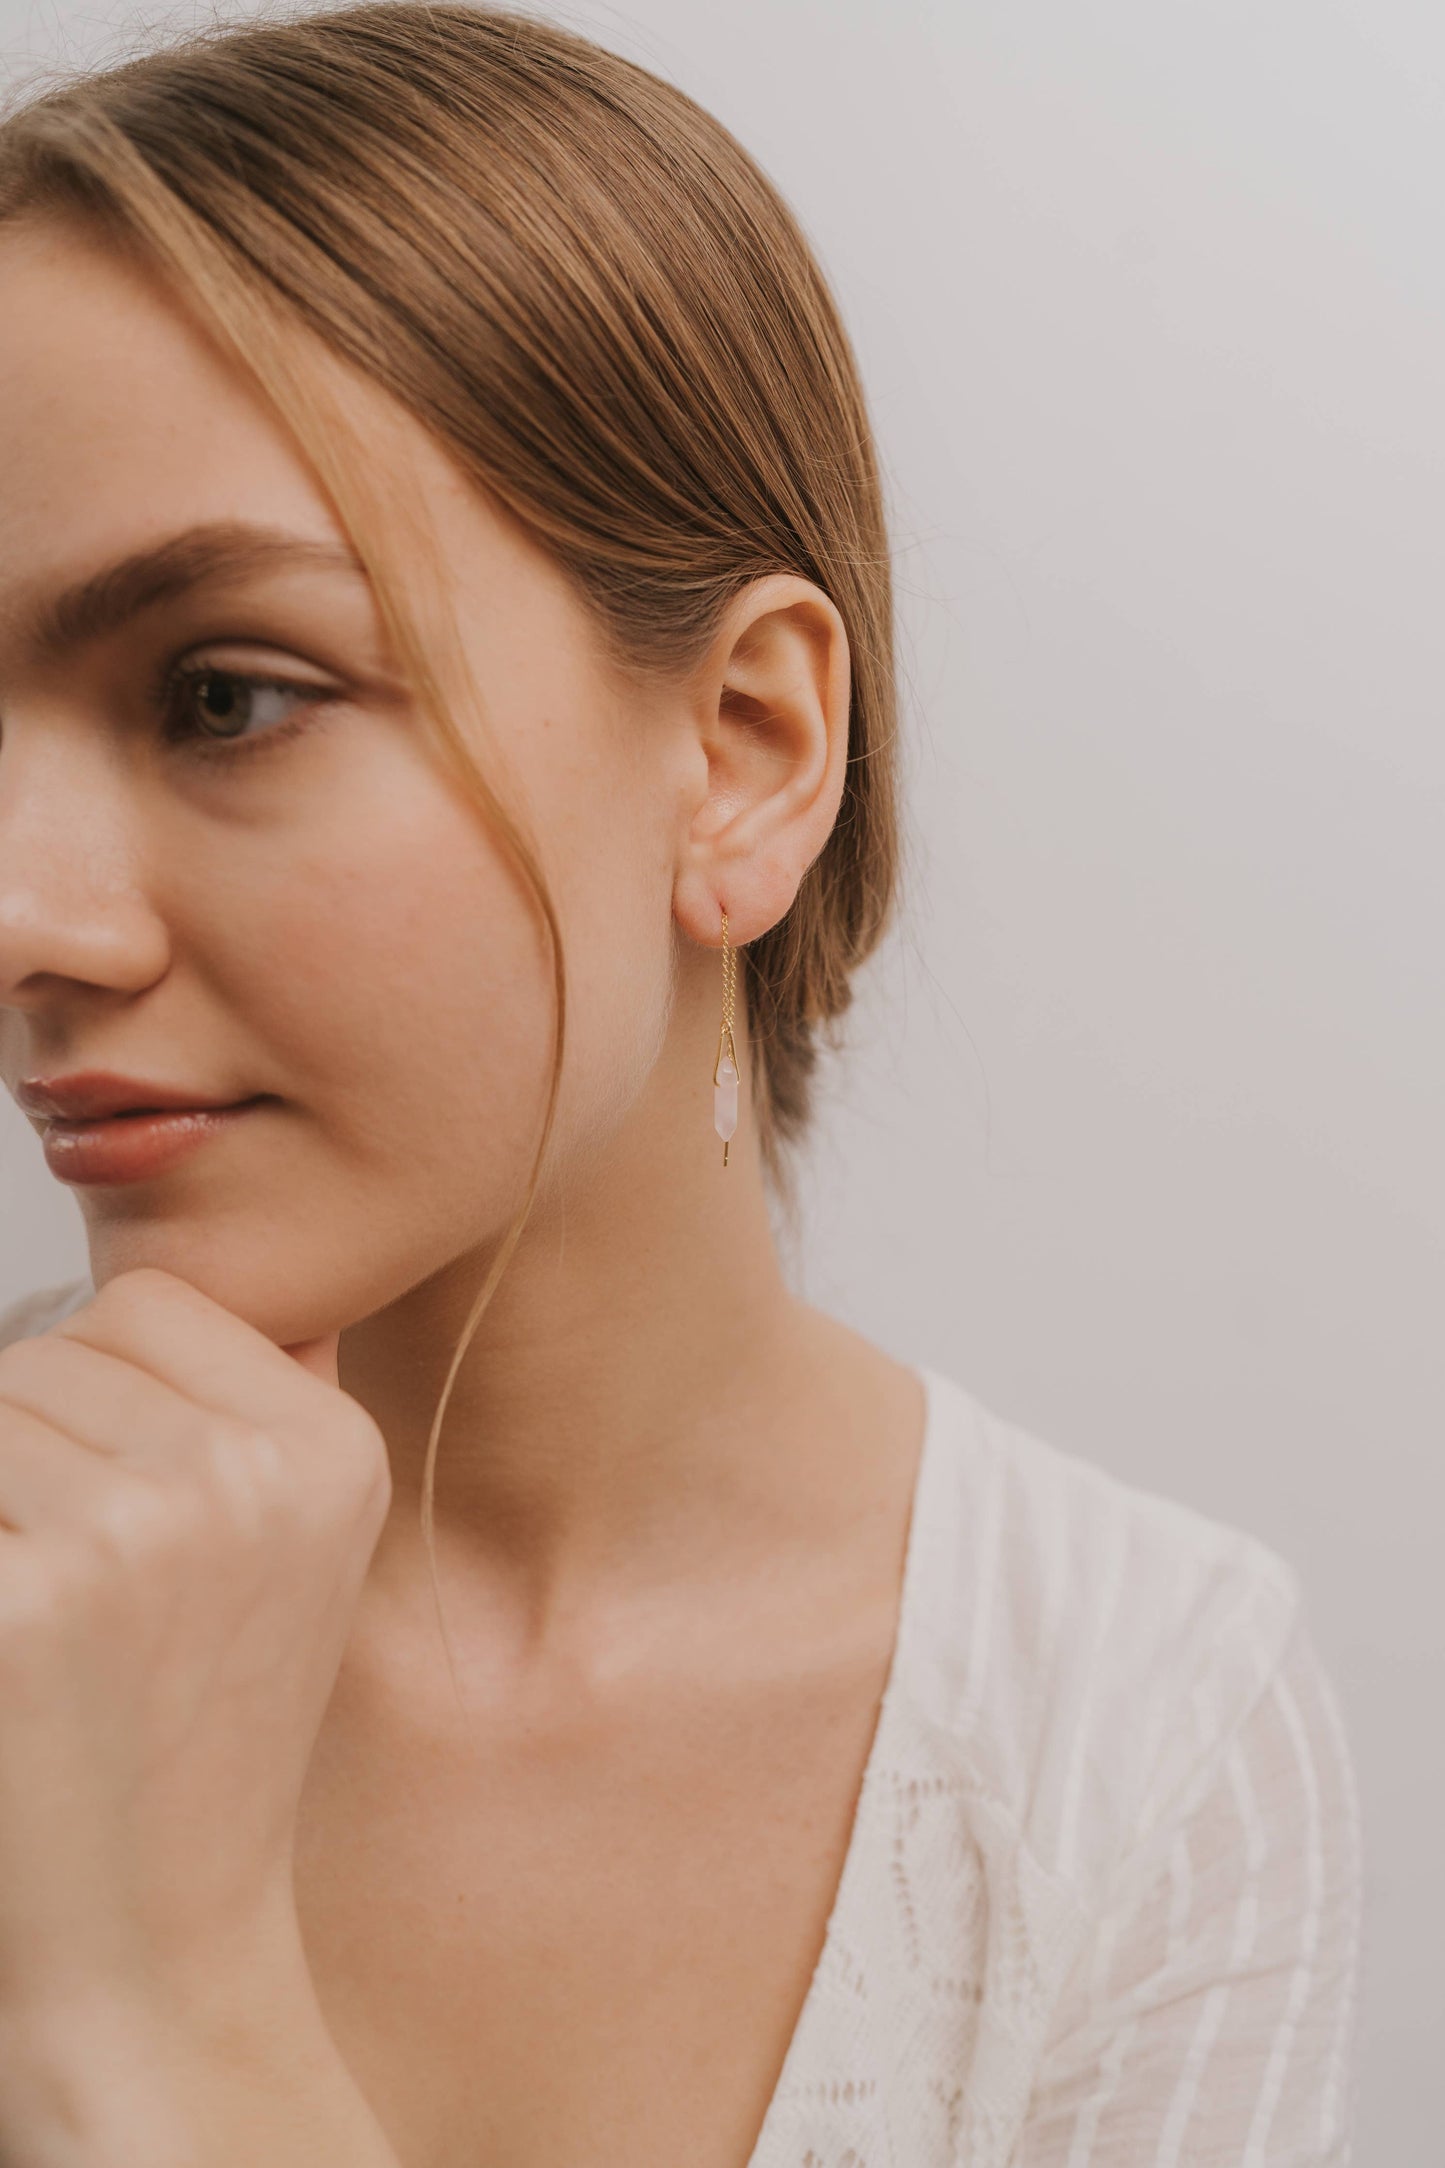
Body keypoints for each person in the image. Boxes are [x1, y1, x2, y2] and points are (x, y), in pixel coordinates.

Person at [0, 6, 1361, 2163]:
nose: (28, 915)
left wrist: (165, 2019)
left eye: (226, 691)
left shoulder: (1135, 1727)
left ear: (744, 753)